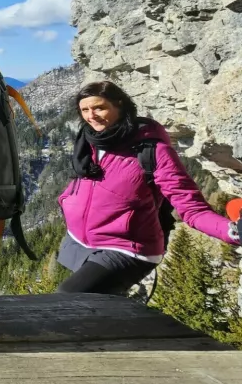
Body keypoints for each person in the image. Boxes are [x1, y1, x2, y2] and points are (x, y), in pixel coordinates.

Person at [56, 80, 240, 295]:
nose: (91, 116)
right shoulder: (90, 142)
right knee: (97, 308)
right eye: (84, 110)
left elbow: (191, 207)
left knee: (69, 297)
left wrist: (233, 231)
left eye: (99, 107)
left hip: (127, 247)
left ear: (120, 105)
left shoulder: (152, 150)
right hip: (81, 241)